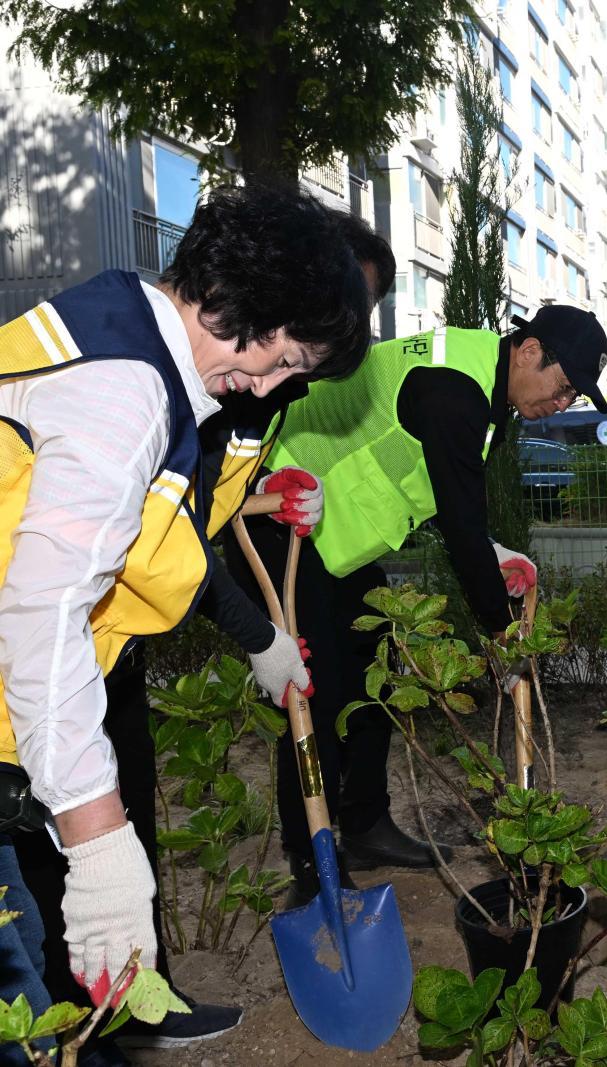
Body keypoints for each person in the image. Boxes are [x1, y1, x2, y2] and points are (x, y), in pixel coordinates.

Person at [10, 212, 392, 1058]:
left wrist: (259, 499)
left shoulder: (130, 340)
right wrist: (99, 839)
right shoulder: (127, 387)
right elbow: (43, 614)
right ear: (247, 301)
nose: (268, 386)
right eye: (285, 358)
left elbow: (155, 522)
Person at [229, 306, 607, 904]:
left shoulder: (482, 389)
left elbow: (449, 495)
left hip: (332, 539)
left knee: (376, 667)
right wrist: (501, 627)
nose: (561, 404)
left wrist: (491, 547)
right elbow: (460, 524)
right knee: (319, 691)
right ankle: (312, 864)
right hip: (278, 511)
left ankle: (365, 822)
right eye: (563, 388)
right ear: (531, 351)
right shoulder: (453, 388)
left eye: (572, 399)